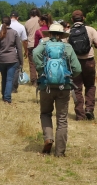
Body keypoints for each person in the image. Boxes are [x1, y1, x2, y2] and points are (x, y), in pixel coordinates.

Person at [33, 23, 81, 156]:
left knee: (45, 113)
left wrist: (42, 70)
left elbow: (35, 53)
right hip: (64, 87)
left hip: (46, 86)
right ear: (61, 35)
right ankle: (60, 152)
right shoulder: (67, 47)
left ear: (49, 34)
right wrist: (67, 76)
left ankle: (48, 138)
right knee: (62, 118)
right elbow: (77, 69)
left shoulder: (43, 45)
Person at [68, 10, 97, 121]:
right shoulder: (90, 30)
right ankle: (89, 109)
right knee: (90, 85)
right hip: (89, 62)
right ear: (83, 18)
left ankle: (80, 114)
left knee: (77, 88)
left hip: (74, 63)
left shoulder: (68, 32)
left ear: (72, 20)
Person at [0, 16, 24, 103]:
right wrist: (21, 60)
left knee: (4, 78)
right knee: (9, 79)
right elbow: (19, 48)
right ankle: (7, 97)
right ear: (10, 23)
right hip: (12, 59)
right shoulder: (14, 33)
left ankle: (4, 95)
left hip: (2, 59)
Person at [24, 8, 41, 86]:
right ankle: (41, 78)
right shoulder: (41, 20)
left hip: (30, 44)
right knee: (41, 62)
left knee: (32, 63)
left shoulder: (27, 22)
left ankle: (34, 80)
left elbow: (26, 35)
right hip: (40, 44)